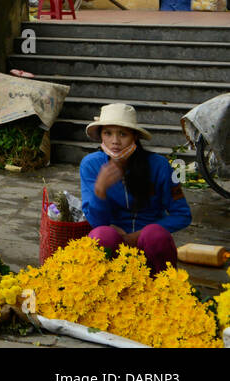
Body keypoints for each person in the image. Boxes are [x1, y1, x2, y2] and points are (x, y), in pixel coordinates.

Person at [80, 103, 189, 274]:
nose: (115, 141)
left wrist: (138, 235)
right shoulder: (91, 165)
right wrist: (99, 191)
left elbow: (182, 214)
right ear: (101, 135)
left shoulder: (160, 166)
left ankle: (166, 286)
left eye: (122, 134)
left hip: (149, 244)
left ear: (135, 136)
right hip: (114, 241)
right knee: (101, 236)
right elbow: (97, 222)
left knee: (155, 235)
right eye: (108, 133)